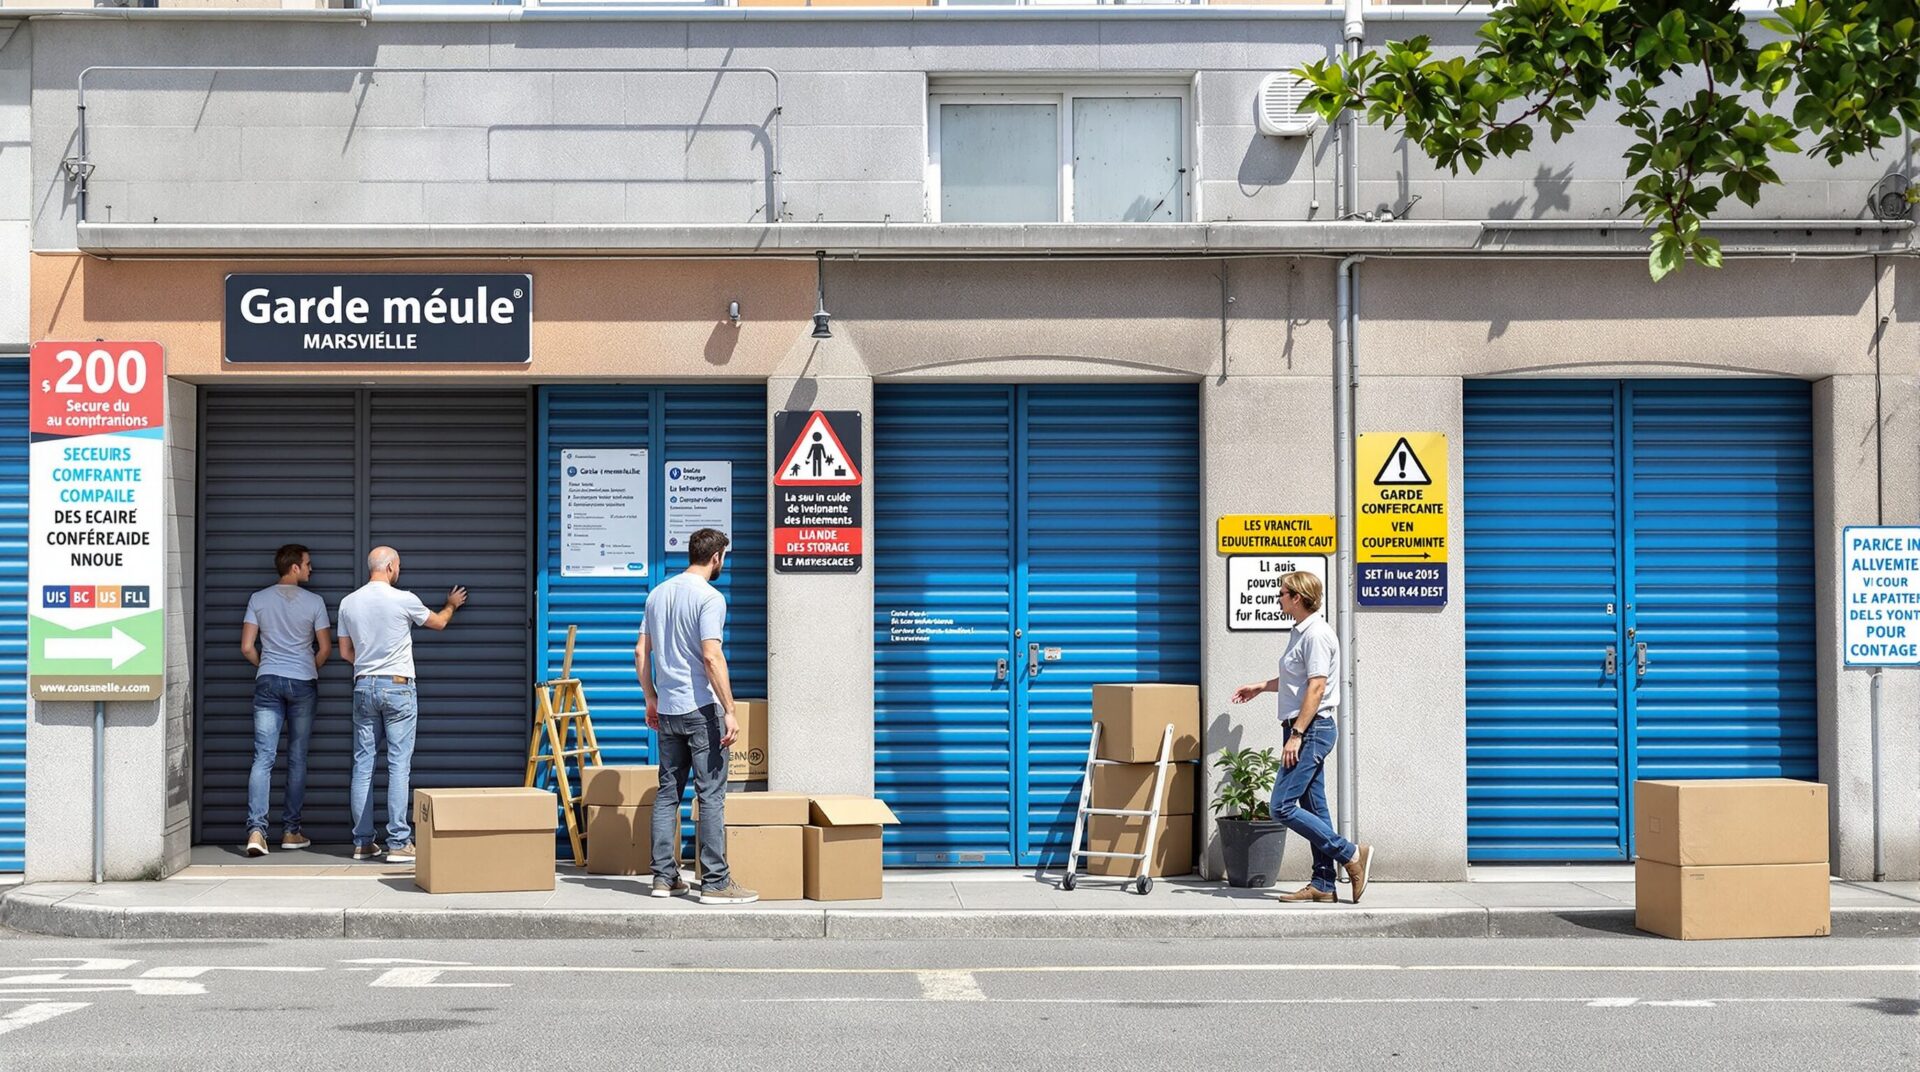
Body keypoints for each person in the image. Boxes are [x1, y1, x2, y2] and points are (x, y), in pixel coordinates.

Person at [1231, 571, 1374, 904]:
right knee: (1315, 807)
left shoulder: (1317, 635)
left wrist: (1296, 734)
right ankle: (1323, 883)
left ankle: (1351, 853)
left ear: (1297, 597)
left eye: (1282, 593)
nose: (1278, 598)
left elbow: (1317, 687)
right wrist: (1261, 687)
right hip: (1304, 728)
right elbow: (1298, 681)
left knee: (1280, 806)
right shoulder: (1301, 633)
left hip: (1310, 730)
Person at [635, 527, 756, 905]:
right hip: (701, 710)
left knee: (667, 793)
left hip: (668, 710)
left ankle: (663, 878)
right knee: (711, 796)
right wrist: (730, 710)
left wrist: (651, 697)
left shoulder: (657, 594)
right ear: (716, 557)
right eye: (724, 558)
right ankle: (716, 882)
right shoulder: (710, 597)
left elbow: (640, 652)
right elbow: (711, 656)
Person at [336, 546, 467, 864]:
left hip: (363, 685)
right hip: (397, 687)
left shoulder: (348, 602)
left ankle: (363, 842)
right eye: (399, 566)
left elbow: (345, 652)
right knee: (398, 765)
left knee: (363, 766)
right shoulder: (403, 598)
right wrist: (451, 604)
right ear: (391, 567)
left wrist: (368, 668)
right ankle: (398, 842)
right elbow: (438, 623)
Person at [238, 544, 331, 857]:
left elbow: (247, 647)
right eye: (308, 564)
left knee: (263, 757)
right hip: (303, 682)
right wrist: (306, 668)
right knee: (297, 757)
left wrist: (266, 666)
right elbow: (325, 648)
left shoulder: (258, 599)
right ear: (294, 567)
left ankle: (256, 831)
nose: (311, 569)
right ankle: (291, 831)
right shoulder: (315, 602)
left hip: (267, 681)